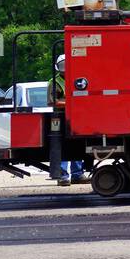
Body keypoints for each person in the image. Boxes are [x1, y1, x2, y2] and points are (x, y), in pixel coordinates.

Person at [47, 54, 86, 185]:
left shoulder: (78, 80)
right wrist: (71, 103)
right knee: (62, 146)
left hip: (76, 117)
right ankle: (63, 175)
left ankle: (77, 174)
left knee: (77, 145)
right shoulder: (54, 82)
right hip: (61, 117)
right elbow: (52, 102)